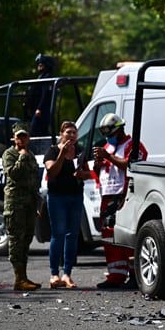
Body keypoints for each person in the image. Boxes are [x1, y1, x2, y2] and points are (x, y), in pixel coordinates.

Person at [93, 113, 147, 289]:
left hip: (123, 194)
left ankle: (134, 275)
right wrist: (98, 162)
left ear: (119, 129)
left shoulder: (133, 145)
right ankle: (116, 275)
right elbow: (99, 171)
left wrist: (108, 157)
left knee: (127, 236)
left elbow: (130, 165)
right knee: (109, 237)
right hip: (107, 195)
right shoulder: (108, 146)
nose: (108, 138)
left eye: (111, 133)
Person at [43, 121, 92, 289]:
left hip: (75, 197)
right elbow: (52, 171)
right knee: (58, 234)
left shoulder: (79, 151)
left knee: (72, 236)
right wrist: (62, 155)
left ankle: (67, 274)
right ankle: (54, 274)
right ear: (61, 134)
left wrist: (82, 174)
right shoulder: (53, 150)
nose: (71, 135)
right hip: (57, 197)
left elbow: (88, 173)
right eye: (68, 132)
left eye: (74, 133)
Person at [2, 122, 41, 291]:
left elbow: (34, 181)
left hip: (29, 204)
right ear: (14, 138)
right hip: (15, 204)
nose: (22, 139)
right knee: (16, 241)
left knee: (26, 240)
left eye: (25, 136)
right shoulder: (9, 154)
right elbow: (14, 174)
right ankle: (18, 278)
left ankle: (24, 277)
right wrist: (22, 156)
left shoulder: (31, 154)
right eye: (19, 136)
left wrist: (37, 203)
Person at [27, 53, 55, 136]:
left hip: (42, 110)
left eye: (41, 64)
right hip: (35, 109)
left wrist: (39, 108)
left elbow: (45, 94)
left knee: (34, 130)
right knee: (39, 130)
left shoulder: (47, 77)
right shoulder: (41, 77)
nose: (39, 66)